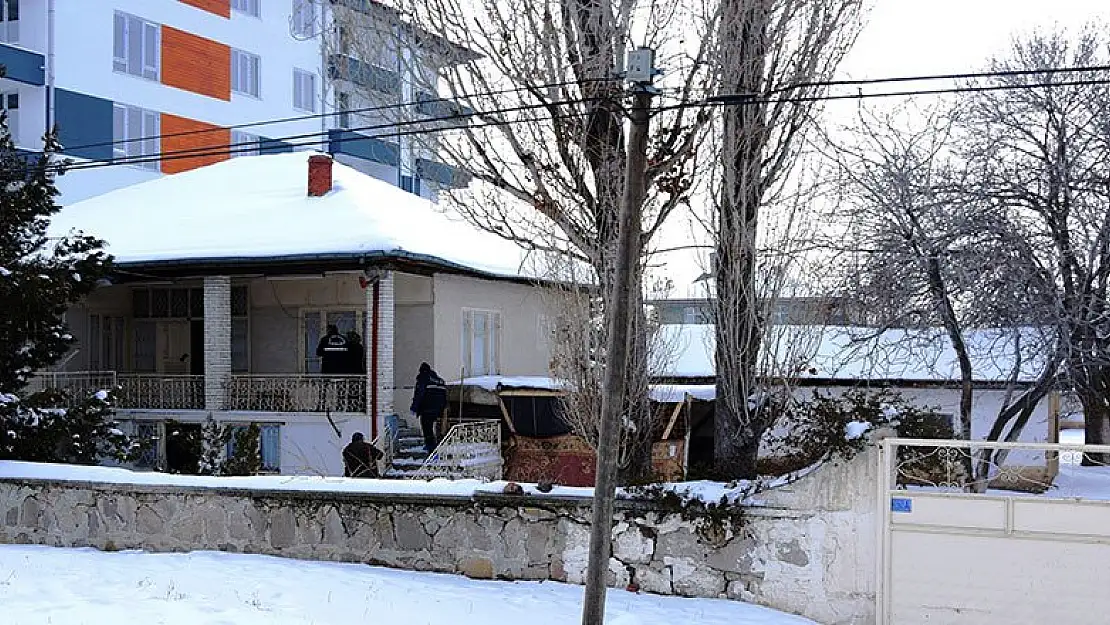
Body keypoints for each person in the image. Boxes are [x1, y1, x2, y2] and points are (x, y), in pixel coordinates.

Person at [410, 362, 448, 453]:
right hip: (440, 410)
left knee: (427, 428)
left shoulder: (423, 378)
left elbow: (419, 394)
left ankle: (431, 448)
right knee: (438, 428)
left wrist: (414, 407)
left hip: (427, 409)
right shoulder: (440, 381)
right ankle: (437, 445)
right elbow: (445, 396)